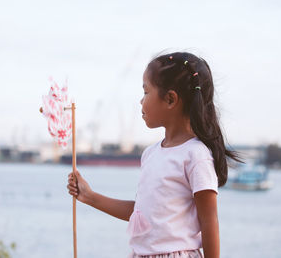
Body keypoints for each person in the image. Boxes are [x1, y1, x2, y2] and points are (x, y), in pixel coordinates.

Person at [67, 51, 242, 258]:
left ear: (170, 99)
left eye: (146, 92)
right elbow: (142, 214)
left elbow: (209, 222)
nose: (141, 101)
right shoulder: (150, 154)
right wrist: (90, 196)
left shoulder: (196, 155)